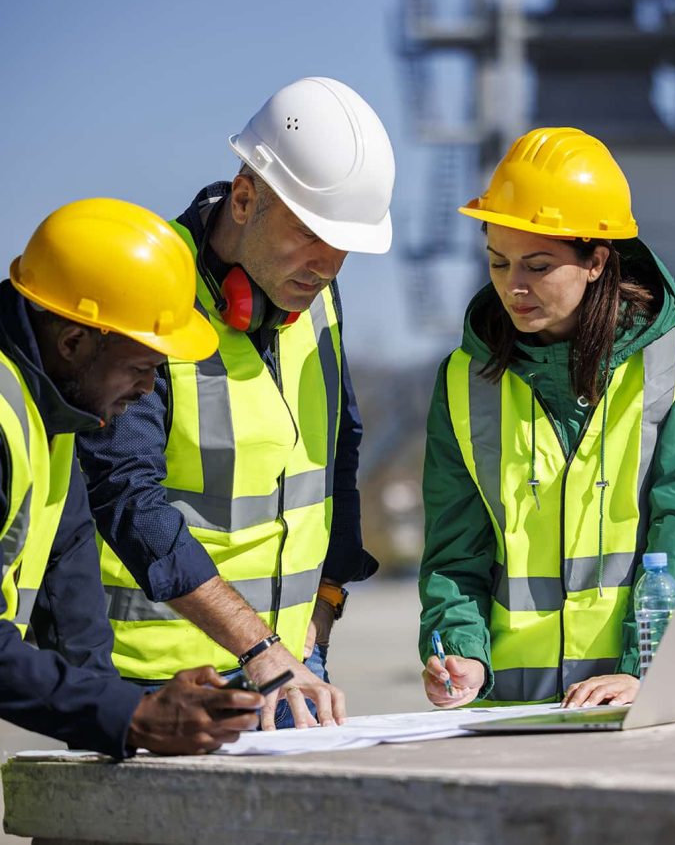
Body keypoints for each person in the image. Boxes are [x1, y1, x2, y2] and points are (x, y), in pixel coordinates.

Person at [76, 77, 394, 730]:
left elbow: (340, 456)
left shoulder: (319, 297)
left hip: (288, 675)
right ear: (245, 198)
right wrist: (259, 647)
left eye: (343, 245)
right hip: (151, 681)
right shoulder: (148, 287)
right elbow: (125, 495)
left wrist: (328, 601)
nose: (327, 263)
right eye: (309, 232)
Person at [418, 127, 675, 708]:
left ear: (597, 260)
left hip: (636, 698)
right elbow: (455, 553)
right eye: (498, 261)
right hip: (509, 709)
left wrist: (653, 669)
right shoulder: (463, 380)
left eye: (538, 266)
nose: (514, 287)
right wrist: (458, 652)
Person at [0, 198, 262, 756]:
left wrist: (122, 718)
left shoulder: (55, 410)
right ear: (73, 342)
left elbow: (70, 605)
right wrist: (133, 716)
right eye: (141, 367)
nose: (147, 390)